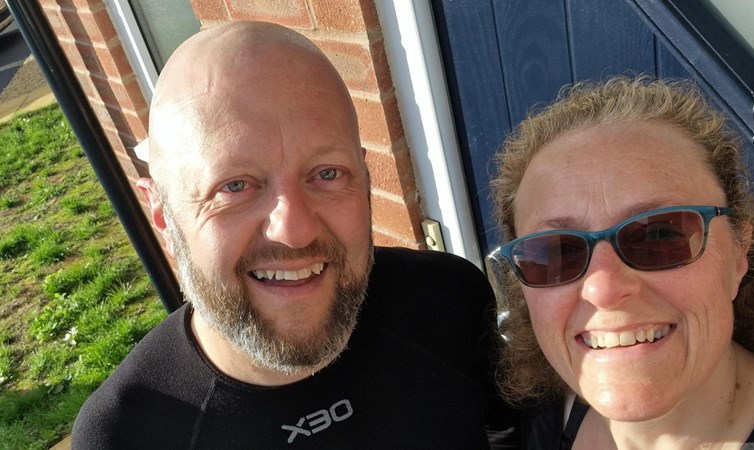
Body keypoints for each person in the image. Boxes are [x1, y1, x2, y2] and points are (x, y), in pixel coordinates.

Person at [72, 20, 517, 449]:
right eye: (235, 186)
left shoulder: (448, 298)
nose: (294, 230)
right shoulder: (124, 433)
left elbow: (511, 433)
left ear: (364, 178)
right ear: (162, 215)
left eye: (327, 173)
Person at [488, 76, 754, 449]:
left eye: (660, 236)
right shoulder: (534, 414)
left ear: (738, 253)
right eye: (558, 252)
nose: (603, 289)